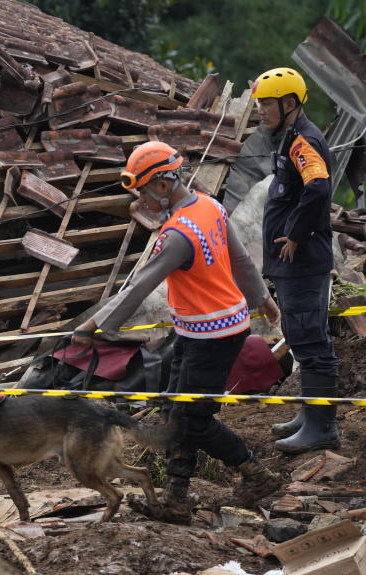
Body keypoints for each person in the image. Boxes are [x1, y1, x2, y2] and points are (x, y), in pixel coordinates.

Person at [72, 141, 283, 522]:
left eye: (143, 191)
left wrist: (92, 326)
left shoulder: (177, 236)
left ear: (164, 185)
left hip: (212, 336)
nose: (141, 201)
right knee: (175, 408)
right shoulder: (210, 206)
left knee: (193, 419)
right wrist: (263, 300)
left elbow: (138, 286)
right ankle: (176, 498)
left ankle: (256, 474)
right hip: (208, 328)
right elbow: (240, 261)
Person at [253, 67, 339, 454]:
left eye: (266, 104)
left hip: (303, 261)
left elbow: (318, 187)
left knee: (310, 338)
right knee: (302, 337)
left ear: (290, 103)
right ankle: (309, 416)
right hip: (292, 265)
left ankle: (321, 428)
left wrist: (297, 234)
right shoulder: (290, 137)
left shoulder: (304, 140)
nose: (260, 111)